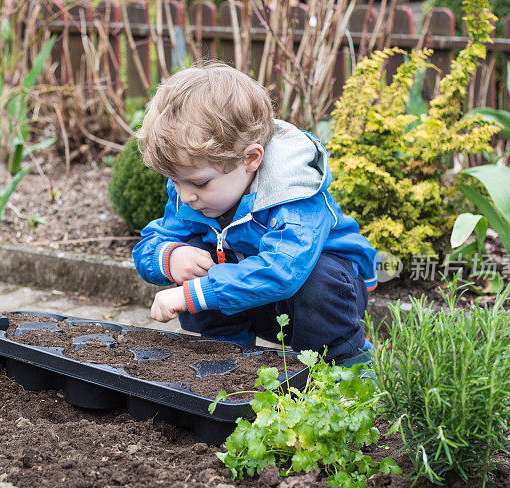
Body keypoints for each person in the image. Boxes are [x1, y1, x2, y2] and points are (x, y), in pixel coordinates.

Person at [131, 62, 378, 358]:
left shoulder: (294, 192)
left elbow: (283, 272)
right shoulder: (193, 192)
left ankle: (345, 364)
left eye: (198, 183)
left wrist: (194, 295)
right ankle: (226, 356)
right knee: (195, 253)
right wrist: (169, 258)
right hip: (251, 300)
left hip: (322, 305)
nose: (185, 196)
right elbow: (149, 243)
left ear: (250, 159)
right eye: (174, 181)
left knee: (319, 277)